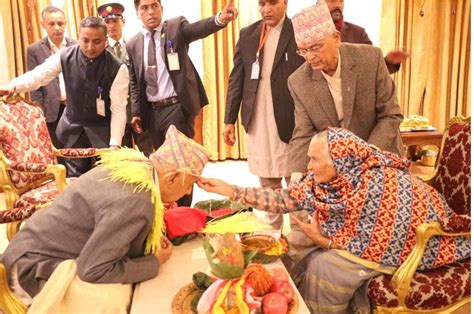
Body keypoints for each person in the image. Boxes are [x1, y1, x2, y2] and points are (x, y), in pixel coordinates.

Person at [197, 127, 470, 313]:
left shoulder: (378, 187)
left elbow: (389, 240)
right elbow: (284, 199)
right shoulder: (327, 181)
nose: (308, 167)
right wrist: (231, 190)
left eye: (315, 160)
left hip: (424, 241)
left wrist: (326, 241)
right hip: (382, 240)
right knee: (299, 250)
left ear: (341, 162)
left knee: (323, 267)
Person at [0, 125, 209, 305]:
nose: (188, 193)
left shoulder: (135, 165)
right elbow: (93, 270)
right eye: (189, 185)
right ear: (172, 178)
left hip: (26, 247)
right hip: (30, 270)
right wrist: (154, 262)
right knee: (118, 299)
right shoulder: (137, 199)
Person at [126, 0, 238, 206]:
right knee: (162, 168)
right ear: (137, 13)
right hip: (152, 113)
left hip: (176, 107)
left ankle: (184, 211)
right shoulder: (132, 44)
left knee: (180, 166)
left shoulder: (176, 27)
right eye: (144, 8)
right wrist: (136, 111)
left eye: (154, 6)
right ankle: (169, 211)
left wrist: (220, 19)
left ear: (161, 8)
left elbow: (197, 30)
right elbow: (134, 81)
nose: (150, 12)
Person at [0, 17, 128, 177]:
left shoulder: (117, 68)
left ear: (105, 40)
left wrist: (115, 144)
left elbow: (118, 109)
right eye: (85, 40)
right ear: (78, 36)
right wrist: (13, 86)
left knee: (101, 181)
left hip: (102, 133)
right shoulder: (65, 55)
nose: (90, 47)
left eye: (97, 42)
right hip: (72, 131)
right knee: (74, 180)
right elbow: (39, 76)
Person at [288, 2, 404, 176]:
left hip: (381, 157)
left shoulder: (370, 59)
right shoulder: (298, 82)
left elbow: (390, 115)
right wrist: (296, 176)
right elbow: (303, 135)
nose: (310, 57)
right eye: (303, 51)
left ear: (336, 38)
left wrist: (367, 157)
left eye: (315, 47)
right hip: (337, 169)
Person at [223, 0, 304, 229]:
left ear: (285, 3)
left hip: (290, 117)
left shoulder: (298, 31)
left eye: (273, 3)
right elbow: (236, 78)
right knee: (267, 176)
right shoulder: (248, 34)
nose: (266, 9)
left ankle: (300, 234)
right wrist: (229, 119)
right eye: (262, 3)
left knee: (296, 177)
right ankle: (273, 231)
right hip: (257, 114)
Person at [98, 2, 154, 156]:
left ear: (123, 21)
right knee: (123, 158)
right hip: (114, 113)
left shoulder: (134, 45)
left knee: (149, 153)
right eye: (107, 22)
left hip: (138, 111)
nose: (111, 26)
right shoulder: (100, 52)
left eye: (115, 21)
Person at [26, 6, 76, 151]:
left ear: (65, 23)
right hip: (52, 110)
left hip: (74, 108)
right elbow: (34, 84)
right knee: (59, 150)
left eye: (60, 23)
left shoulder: (76, 46)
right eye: (52, 24)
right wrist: (39, 110)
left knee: (76, 149)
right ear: (43, 25)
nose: (57, 28)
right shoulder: (34, 50)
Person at [321, 0, 409, 74]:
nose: (338, 5)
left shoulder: (358, 33)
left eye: (341, 1)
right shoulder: (308, 35)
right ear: (318, 4)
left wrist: (389, 62)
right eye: (331, 0)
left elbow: (372, 66)